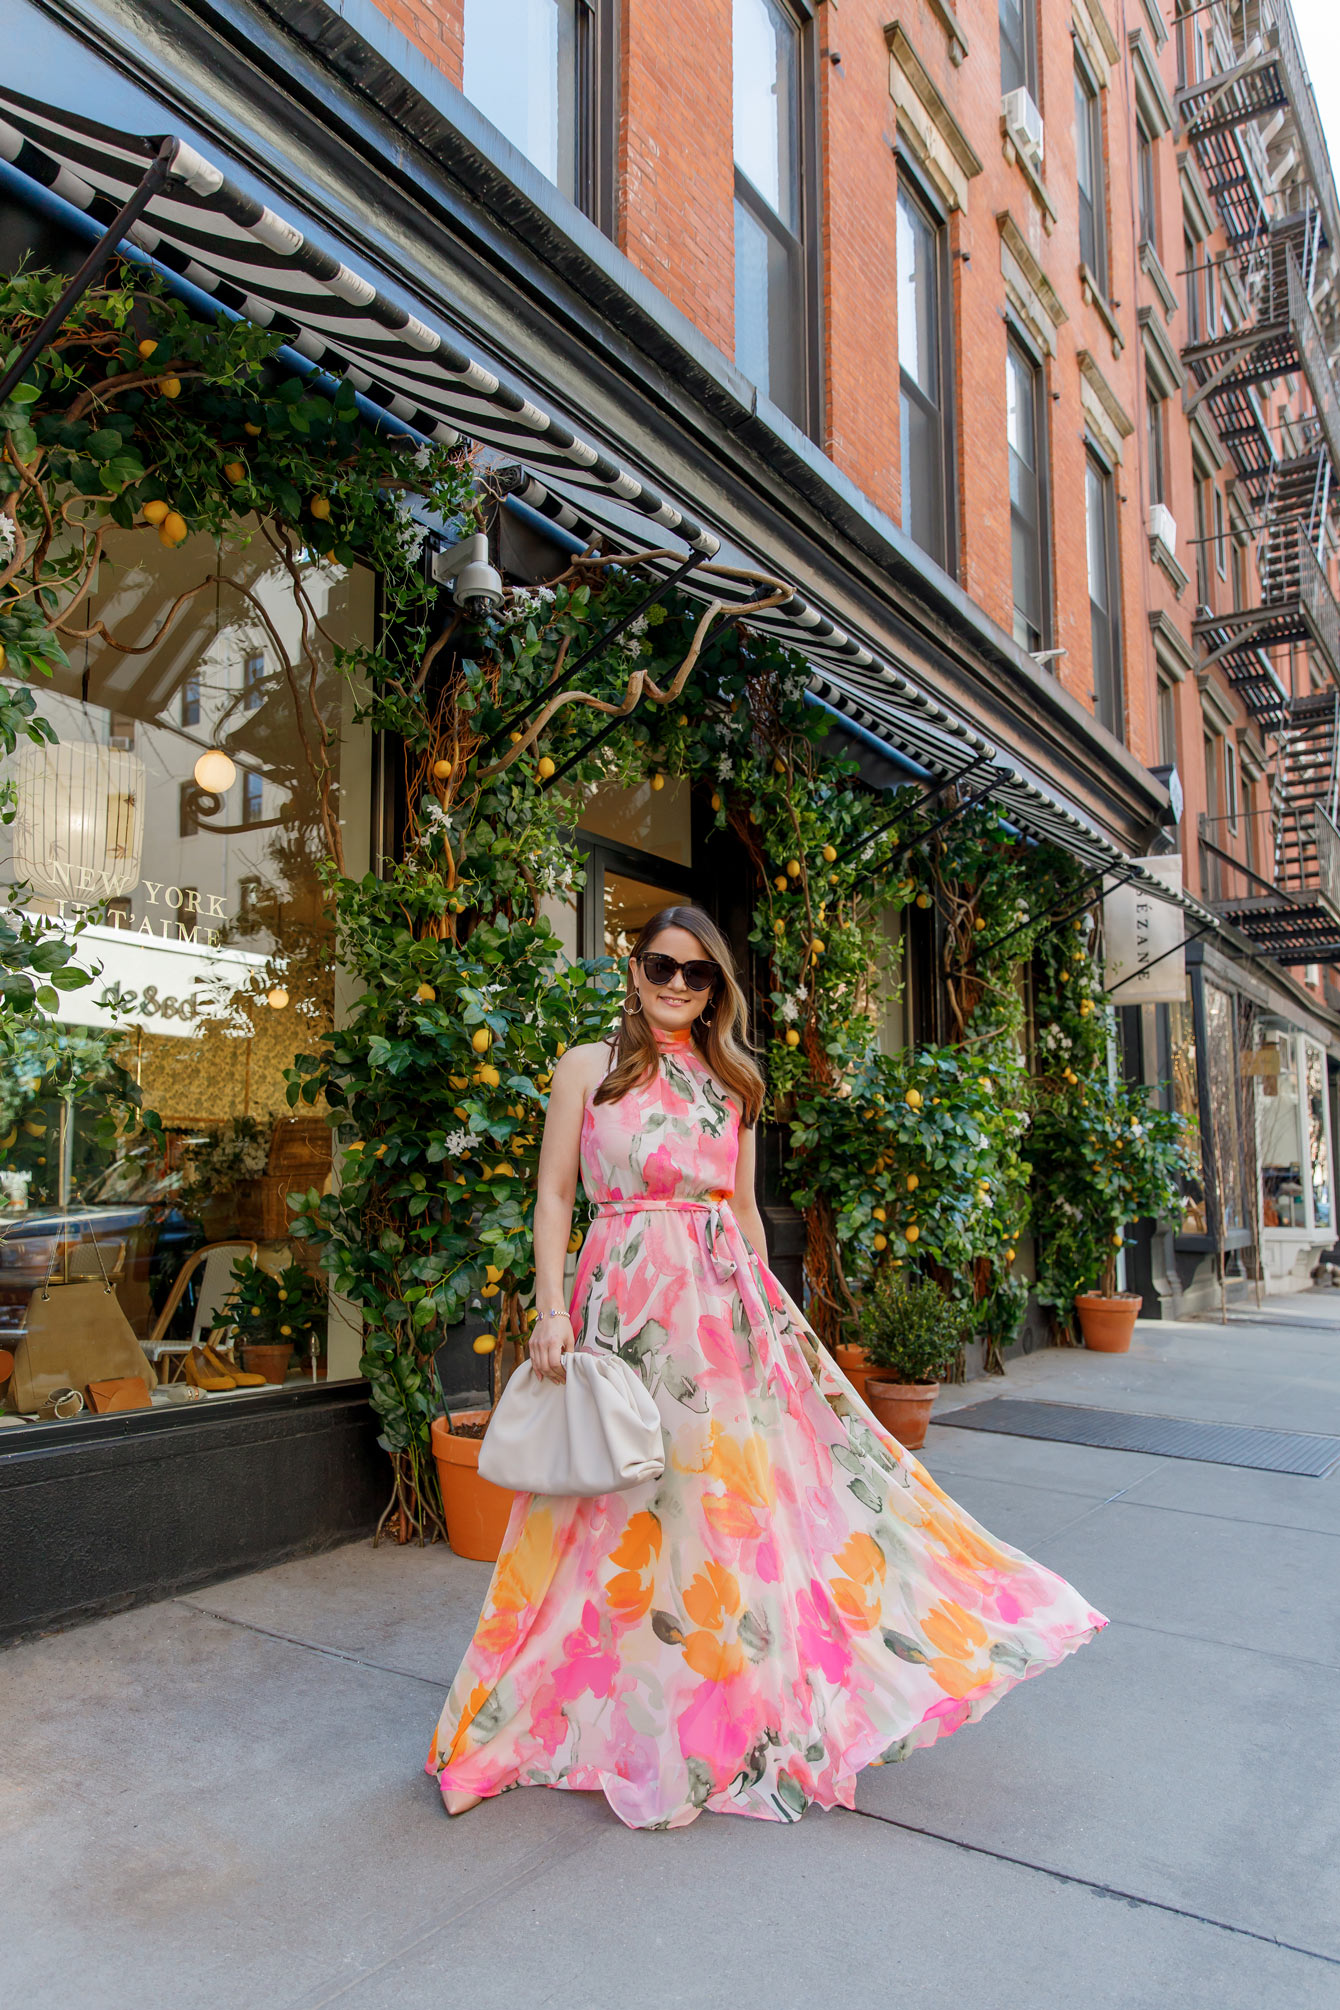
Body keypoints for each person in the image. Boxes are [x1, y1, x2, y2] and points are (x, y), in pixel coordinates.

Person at [427, 905, 1105, 1829]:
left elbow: (742, 1214)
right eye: (661, 965)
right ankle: (586, 1714)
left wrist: (776, 1319)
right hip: (618, 1311)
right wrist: (548, 1310)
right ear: (634, 969)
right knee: (609, 1509)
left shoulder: (734, 1081)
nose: (675, 983)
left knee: (713, 1516)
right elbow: (552, 1193)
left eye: (696, 974)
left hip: (718, 1319)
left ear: (716, 990)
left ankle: (701, 1728)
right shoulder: (586, 1069)